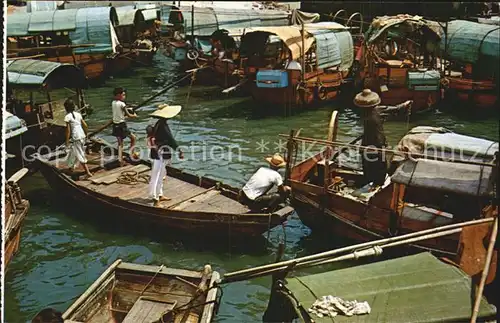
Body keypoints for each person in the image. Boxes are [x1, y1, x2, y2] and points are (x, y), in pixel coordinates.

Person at [353, 89, 412, 188]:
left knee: (368, 166)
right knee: (380, 165)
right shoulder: (378, 110)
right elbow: (396, 109)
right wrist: (406, 104)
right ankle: (378, 184)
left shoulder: (363, 113)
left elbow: (396, 109)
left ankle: (370, 182)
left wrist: (405, 105)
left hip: (367, 143)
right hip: (377, 144)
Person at [148, 104, 184, 207]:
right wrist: (179, 150)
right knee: (157, 175)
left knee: (161, 173)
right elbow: (171, 140)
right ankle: (155, 199)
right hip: (160, 152)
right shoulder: (163, 125)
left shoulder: (160, 123)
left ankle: (159, 194)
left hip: (159, 151)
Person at [64, 99, 92, 177]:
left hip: (76, 137)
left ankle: (88, 173)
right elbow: (85, 125)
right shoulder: (78, 115)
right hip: (82, 135)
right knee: (74, 151)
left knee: (80, 154)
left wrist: (67, 141)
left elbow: (68, 131)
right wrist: (86, 135)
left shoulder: (67, 117)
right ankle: (71, 167)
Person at [111, 87, 137, 165]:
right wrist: (134, 115)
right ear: (119, 95)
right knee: (133, 138)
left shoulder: (113, 103)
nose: (124, 96)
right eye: (123, 95)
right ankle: (131, 154)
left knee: (120, 144)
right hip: (122, 125)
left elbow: (120, 114)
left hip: (115, 125)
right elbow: (129, 115)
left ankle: (120, 160)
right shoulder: (122, 104)